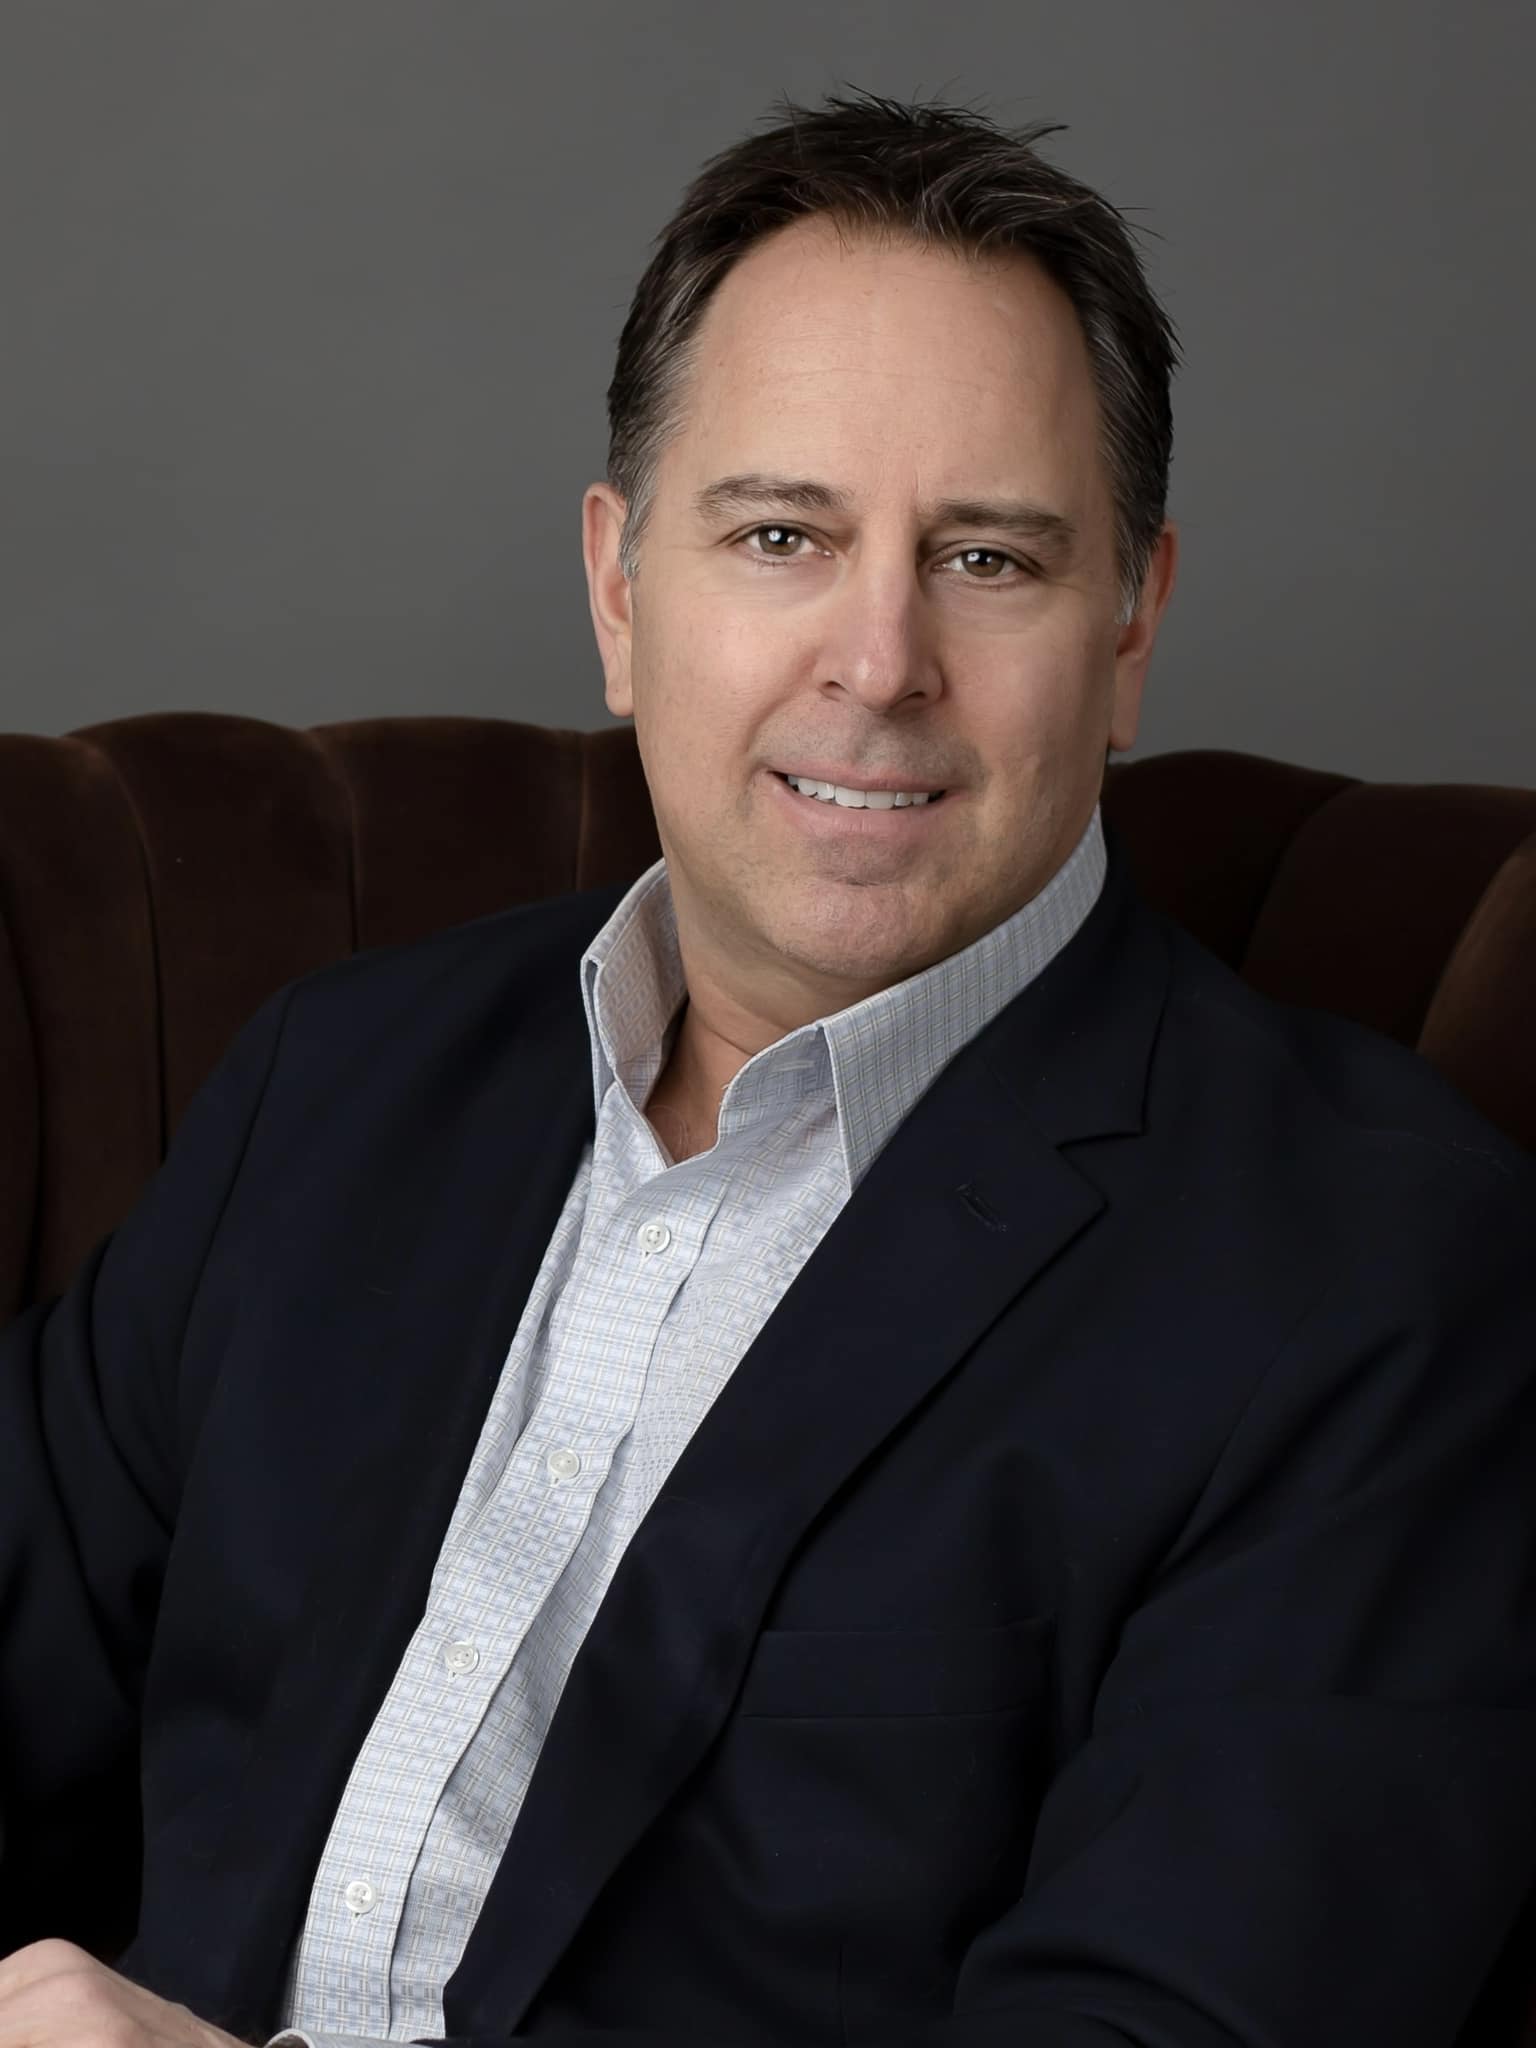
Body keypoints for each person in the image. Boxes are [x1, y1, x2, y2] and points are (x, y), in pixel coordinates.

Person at [1, 84, 1533, 2048]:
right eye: (783, 531)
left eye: (988, 558)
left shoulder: (1376, 1275)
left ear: (1132, 625)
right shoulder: (344, 1085)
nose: (879, 658)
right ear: (622, 588)